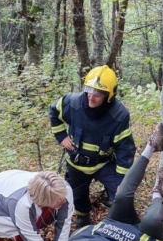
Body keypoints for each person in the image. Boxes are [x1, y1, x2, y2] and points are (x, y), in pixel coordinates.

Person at [49, 65, 136, 229]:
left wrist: (121, 180)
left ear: (109, 95)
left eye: (98, 93)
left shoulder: (118, 114)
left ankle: (120, 222)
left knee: (121, 193)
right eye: (89, 90)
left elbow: (125, 148)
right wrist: (61, 136)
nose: (91, 96)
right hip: (77, 163)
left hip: (104, 163)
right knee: (77, 193)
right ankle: (83, 219)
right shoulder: (73, 103)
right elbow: (54, 111)